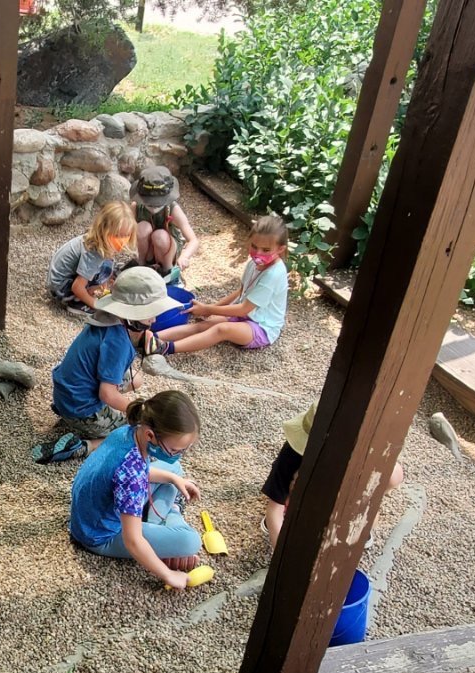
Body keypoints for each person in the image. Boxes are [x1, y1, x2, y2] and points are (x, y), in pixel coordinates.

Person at [33, 266, 180, 465]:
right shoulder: (118, 343)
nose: (153, 320)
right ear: (132, 314)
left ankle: (78, 419)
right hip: (82, 407)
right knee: (135, 435)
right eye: (149, 314)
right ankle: (85, 445)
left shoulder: (108, 319)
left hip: (67, 395)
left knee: (136, 380)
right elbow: (107, 394)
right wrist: (140, 412)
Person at [68, 390, 207, 589]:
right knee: (191, 541)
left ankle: (159, 524)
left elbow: (131, 471)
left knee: (175, 470)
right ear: (151, 435)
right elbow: (132, 540)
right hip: (99, 536)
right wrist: (167, 574)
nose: (180, 454)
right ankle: (172, 513)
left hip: (88, 516)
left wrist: (172, 478)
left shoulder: (129, 432)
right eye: (176, 450)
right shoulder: (130, 476)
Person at [262, 403, 405, 549]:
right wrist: (283, 555)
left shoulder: (361, 458)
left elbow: (373, 518)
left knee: (393, 475)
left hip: (337, 492)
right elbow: (274, 509)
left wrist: (364, 512)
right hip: (304, 494)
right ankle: (292, 515)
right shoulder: (291, 456)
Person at [148, 215, 290, 358]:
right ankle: (148, 338)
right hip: (246, 317)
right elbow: (241, 291)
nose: (258, 253)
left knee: (222, 329)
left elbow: (243, 309)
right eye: (254, 246)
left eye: (266, 250)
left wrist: (207, 308)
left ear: (280, 249)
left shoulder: (273, 274)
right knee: (203, 326)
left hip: (262, 327)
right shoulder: (254, 264)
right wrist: (211, 310)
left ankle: (166, 348)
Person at [46, 201, 134, 318]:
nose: (123, 240)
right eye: (118, 235)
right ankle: (77, 303)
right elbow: (77, 287)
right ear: (104, 230)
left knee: (109, 265)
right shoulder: (94, 253)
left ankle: (90, 290)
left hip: (58, 280)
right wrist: (96, 305)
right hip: (61, 288)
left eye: (126, 235)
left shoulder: (97, 241)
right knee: (106, 269)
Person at [131, 167, 200, 283]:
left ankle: (167, 272)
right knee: (142, 227)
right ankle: (141, 265)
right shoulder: (136, 207)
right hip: (146, 250)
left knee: (160, 235)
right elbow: (126, 230)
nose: (154, 206)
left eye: (157, 203)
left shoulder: (173, 209)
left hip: (167, 249)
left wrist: (184, 257)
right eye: (150, 202)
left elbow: (193, 240)